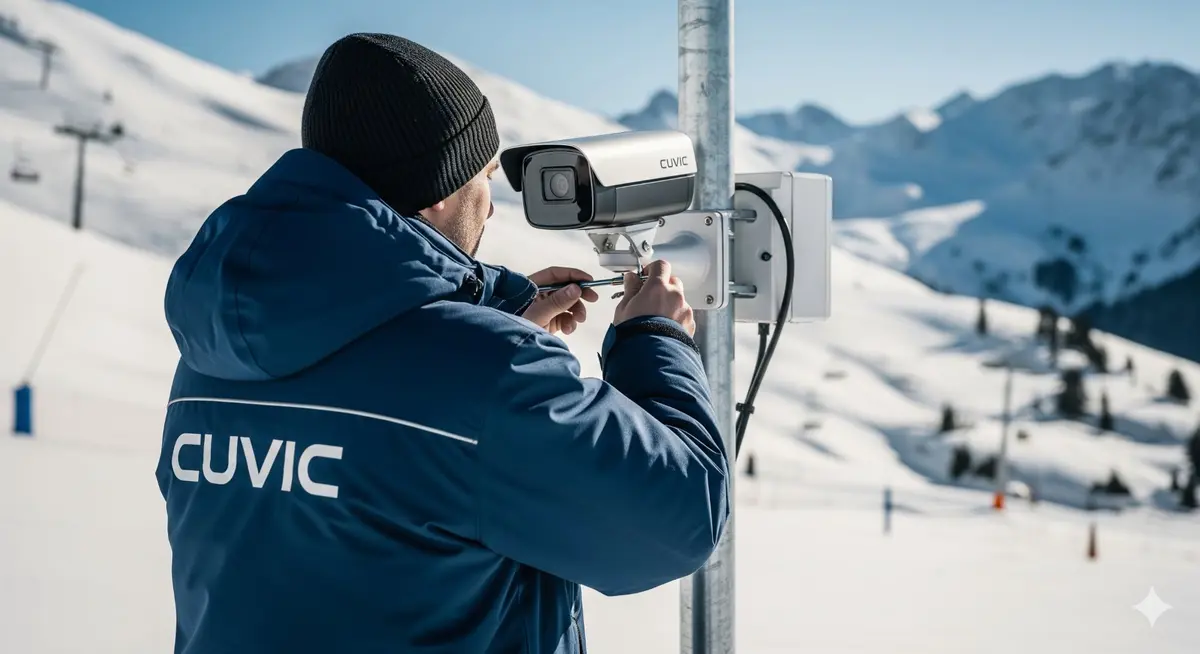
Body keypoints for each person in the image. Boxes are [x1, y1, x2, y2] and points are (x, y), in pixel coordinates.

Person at [155, 32, 730, 654]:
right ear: (441, 190)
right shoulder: (488, 373)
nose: (491, 209)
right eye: (486, 177)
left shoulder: (212, 356)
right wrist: (655, 340)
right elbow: (680, 516)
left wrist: (485, 324)